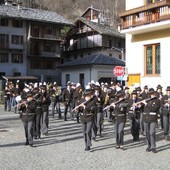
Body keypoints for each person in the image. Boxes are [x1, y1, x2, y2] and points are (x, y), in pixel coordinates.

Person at [142, 88, 160, 153]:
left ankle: (153, 147)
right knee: (147, 133)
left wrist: (146, 104)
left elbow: (154, 108)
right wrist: (138, 105)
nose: (152, 95)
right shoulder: (146, 100)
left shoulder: (157, 100)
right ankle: (149, 146)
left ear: (154, 94)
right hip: (145, 118)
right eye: (150, 94)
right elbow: (142, 109)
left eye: (153, 93)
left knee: (152, 132)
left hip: (152, 119)